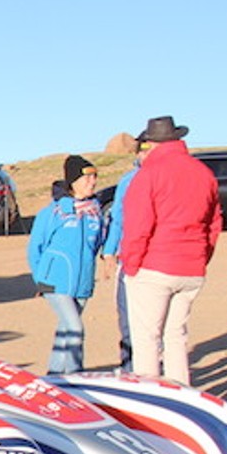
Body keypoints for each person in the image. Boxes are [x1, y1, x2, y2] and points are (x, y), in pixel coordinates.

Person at [119, 116, 222, 384]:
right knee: (176, 337)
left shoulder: (149, 175)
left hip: (154, 266)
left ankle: (150, 406)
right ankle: (182, 395)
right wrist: (201, 258)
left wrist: (131, 265)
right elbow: (213, 224)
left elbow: (138, 227)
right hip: (191, 267)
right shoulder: (203, 173)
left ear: (150, 144)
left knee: (146, 340)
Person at [26, 155, 107, 374]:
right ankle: (75, 377)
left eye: (95, 177)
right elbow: (35, 248)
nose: (93, 182)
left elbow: (100, 242)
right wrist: (40, 279)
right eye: (87, 178)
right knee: (75, 328)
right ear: (73, 181)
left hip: (82, 283)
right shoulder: (53, 212)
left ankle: (53, 377)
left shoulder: (95, 211)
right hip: (55, 281)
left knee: (65, 329)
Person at [99, 147, 142, 368]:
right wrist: (109, 252)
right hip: (130, 258)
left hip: (150, 260)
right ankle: (129, 367)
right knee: (127, 317)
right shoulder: (129, 180)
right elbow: (117, 217)